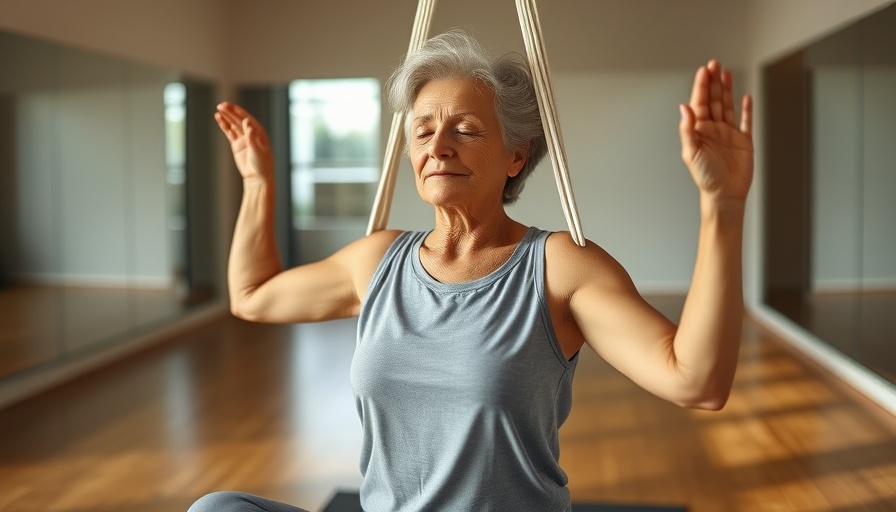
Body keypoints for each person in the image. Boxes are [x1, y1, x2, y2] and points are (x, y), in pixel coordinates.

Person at [190, 30, 752, 512]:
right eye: (423, 130)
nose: (438, 145)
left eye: (465, 129)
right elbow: (252, 295)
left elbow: (696, 380)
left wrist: (720, 207)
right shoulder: (378, 260)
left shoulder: (559, 267)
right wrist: (259, 183)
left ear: (516, 155)